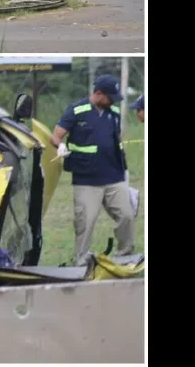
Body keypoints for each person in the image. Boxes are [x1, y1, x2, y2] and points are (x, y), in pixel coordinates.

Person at [51, 74, 135, 266]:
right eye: (110, 96)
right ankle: (81, 262)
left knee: (127, 215)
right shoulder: (76, 110)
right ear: (98, 94)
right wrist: (60, 146)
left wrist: (125, 171)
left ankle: (126, 256)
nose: (113, 100)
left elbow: (117, 140)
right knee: (85, 223)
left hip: (114, 176)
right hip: (87, 179)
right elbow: (55, 136)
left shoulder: (113, 112)